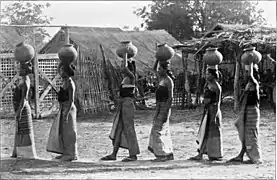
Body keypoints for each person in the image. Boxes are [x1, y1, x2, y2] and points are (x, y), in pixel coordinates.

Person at [101, 53, 140, 162]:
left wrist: (125, 55)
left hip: (128, 105)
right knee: (118, 129)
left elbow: (124, 68)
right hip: (123, 105)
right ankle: (114, 154)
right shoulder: (125, 79)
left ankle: (133, 155)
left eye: (124, 64)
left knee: (129, 129)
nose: (122, 66)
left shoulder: (132, 77)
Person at [229, 64, 262, 164]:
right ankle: (242, 154)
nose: (246, 75)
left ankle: (255, 157)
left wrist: (250, 64)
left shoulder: (255, 84)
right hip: (246, 111)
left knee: (251, 134)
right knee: (244, 132)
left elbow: (251, 76)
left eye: (248, 73)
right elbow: (242, 97)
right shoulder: (248, 85)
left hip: (252, 112)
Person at [189, 66, 223, 161]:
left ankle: (214, 153)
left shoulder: (216, 87)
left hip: (213, 111)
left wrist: (214, 117)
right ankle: (201, 153)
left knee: (211, 132)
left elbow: (217, 103)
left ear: (213, 75)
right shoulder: (208, 85)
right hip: (207, 111)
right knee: (205, 131)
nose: (206, 76)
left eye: (208, 74)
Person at [47, 63, 78, 161]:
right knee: (62, 131)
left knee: (69, 132)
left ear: (67, 72)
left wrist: (66, 114)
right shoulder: (64, 81)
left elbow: (71, 100)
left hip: (69, 109)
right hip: (63, 109)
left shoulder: (70, 83)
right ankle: (65, 152)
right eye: (60, 70)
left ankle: (71, 154)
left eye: (62, 70)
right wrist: (62, 62)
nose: (60, 72)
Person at [148, 60, 174, 162]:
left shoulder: (168, 81)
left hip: (165, 107)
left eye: (160, 69)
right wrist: (157, 59)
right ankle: (168, 153)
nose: (158, 70)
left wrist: (166, 112)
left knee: (156, 130)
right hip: (159, 107)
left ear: (164, 70)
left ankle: (162, 155)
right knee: (162, 131)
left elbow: (170, 98)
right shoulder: (161, 79)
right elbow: (153, 69)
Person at [12, 61, 37, 159]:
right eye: (19, 68)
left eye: (21, 68)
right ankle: (17, 152)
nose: (19, 70)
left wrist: (19, 111)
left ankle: (26, 153)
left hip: (23, 108)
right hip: (19, 107)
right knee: (19, 130)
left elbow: (24, 99)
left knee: (23, 131)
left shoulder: (26, 81)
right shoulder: (21, 79)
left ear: (26, 70)